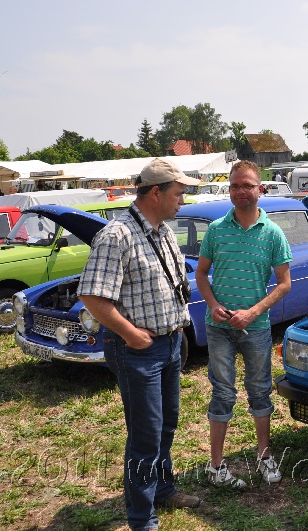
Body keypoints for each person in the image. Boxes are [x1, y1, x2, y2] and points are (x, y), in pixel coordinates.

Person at [77, 158, 202, 530]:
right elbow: (93, 297)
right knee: (146, 434)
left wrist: (177, 329)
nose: (183, 200)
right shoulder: (117, 235)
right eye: (178, 193)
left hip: (169, 345)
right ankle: (141, 518)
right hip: (137, 351)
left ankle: (163, 489)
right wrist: (131, 333)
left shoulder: (161, 230)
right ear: (155, 193)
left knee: (166, 424)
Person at [196, 159, 292, 488]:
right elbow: (201, 273)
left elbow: (284, 283)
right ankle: (216, 466)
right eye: (235, 185)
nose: (241, 191)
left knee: (260, 391)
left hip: (256, 327)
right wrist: (212, 304)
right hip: (219, 326)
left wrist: (252, 312)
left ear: (260, 189)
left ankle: (264, 456)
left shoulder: (273, 234)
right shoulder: (216, 230)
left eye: (247, 185)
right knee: (222, 393)